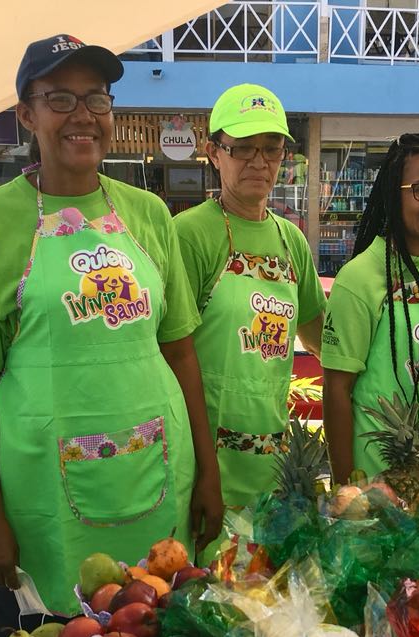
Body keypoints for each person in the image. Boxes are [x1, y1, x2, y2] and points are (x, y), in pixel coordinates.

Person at [0, 35, 223, 637]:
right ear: (26, 114)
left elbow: (180, 351)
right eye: (59, 98)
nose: (82, 115)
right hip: (41, 498)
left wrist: (208, 473)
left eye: (96, 98)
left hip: (157, 476)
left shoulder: (149, 213)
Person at [174, 84, 326, 520]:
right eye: (243, 148)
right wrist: (203, 471)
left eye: (271, 148)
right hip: (204, 461)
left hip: (272, 458)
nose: (259, 162)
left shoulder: (290, 238)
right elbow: (170, 352)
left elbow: (319, 336)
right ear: (213, 152)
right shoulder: (189, 234)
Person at [321, 133, 419, 482]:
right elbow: (336, 389)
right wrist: (346, 485)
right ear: (394, 193)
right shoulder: (359, 279)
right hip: (379, 484)